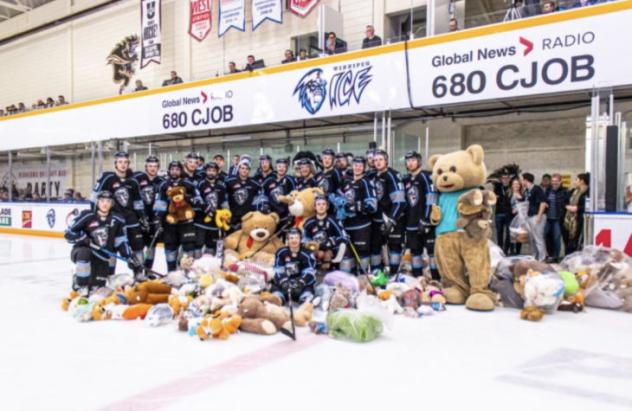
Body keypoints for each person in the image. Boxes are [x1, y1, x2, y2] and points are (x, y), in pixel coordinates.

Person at [64, 191, 141, 295]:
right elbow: (68, 233)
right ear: (97, 202)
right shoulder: (87, 215)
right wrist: (81, 238)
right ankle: (81, 285)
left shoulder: (117, 219)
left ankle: (82, 279)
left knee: (96, 289)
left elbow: (121, 242)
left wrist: (130, 257)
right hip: (83, 252)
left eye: (108, 201)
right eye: (102, 201)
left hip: (102, 257)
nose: (105, 204)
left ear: (112, 203)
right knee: (84, 252)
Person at [93, 151, 147, 280]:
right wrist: (95, 215)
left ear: (128, 164)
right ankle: (110, 276)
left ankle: (138, 274)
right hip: (114, 220)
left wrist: (142, 216)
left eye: (125, 162)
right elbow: (95, 197)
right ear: (115, 164)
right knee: (112, 249)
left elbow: (138, 201)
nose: (123, 165)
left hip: (131, 220)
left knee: (138, 247)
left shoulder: (133, 181)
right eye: (120, 162)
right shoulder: (107, 178)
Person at [154, 161, 198, 271]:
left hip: (186, 223)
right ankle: (171, 272)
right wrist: (158, 219)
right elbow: (160, 203)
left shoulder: (188, 183)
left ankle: (187, 273)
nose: (174, 171)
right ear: (169, 170)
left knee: (189, 248)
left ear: (181, 170)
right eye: (172, 169)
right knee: (170, 248)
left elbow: (198, 200)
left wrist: (189, 198)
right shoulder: (163, 185)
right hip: (170, 223)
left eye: (177, 169)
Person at [338, 156, 377, 274]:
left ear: (364, 167)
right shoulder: (346, 181)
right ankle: (350, 283)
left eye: (360, 165)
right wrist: (339, 204)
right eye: (355, 165)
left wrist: (355, 206)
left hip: (362, 226)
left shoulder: (366, 182)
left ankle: (363, 279)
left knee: (363, 254)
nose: (357, 167)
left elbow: (372, 205)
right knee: (347, 256)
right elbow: (339, 196)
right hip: (347, 226)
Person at [403, 151, 438, 279]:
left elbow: (432, 198)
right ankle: (419, 279)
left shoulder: (426, 176)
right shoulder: (406, 179)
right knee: (415, 253)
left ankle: (436, 280)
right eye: (408, 161)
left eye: (413, 160)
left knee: (432, 252)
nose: (410, 163)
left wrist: (426, 219)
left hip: (425, 223)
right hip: (411, 224)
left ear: (419, 161)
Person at [373, 149, 406, 275]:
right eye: (375, 160)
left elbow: (400, 202)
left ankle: (394, 274)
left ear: (386, 161)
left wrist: (392, 220)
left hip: (394, 218)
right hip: (381, 218)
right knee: (379, 246)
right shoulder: (376, 176)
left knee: (394, 247)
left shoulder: (393, 175)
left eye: (380, 160)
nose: (378, 162)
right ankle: (380, 274)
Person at [132, 155, 165, 269]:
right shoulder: (137, 178)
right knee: (138, 246)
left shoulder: (162, 181)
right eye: (150, 166)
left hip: (154, 219)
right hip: (139, 218)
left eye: (155, 166)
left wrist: (159, 218)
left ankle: (148, 270)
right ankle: (139, 271)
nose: (152, 168)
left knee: (152, 247)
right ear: (145, 166)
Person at [272, 228, 317, 305]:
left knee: (309, 288)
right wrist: (284, 281)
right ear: (287, 240)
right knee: (275, 286)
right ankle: (278, 299)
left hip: (300, 284)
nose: (294, 240)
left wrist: (300, 282)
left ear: (300, 239)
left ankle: (305, 300)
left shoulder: (307, 253)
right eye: (291, 238)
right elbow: (278, 269)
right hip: (286, 283)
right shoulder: (281, 252)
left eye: (296, 238)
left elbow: (310, 272)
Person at [194, 162, 229, 258]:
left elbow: (224, 203)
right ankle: (195, 267)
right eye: (209, 170)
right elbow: (196, 200)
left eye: (213, 171)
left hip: (214, 223)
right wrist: (205, 209)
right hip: (200, 222)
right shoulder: (200, 184)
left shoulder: (221, 186)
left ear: (217, 172)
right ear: (205, 171)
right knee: (198, 246)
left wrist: (226, 215)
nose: (211, 173)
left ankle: (207, 268)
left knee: (211, 246)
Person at [303, 195, 345, 271]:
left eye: (323, 204)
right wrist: (310, 245)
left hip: (330, 249)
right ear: (315, 207)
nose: (321, 206)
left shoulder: (333, 220)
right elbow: (304, 240)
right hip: (316, 249)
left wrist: (331, 242)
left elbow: (343, 237)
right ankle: (314, 270)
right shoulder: (309, 222)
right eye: (318, 204)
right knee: (319, 253)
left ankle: (327, 273)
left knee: (326, 254)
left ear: (327, 206)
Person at [261, 157, 296, 231]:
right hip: (272, 216)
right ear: (276, 167)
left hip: (286, 216)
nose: (281, 168)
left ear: (286, 168)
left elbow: (294, 195)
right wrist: (265, 205)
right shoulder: (269, 180)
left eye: (284, 166)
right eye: (279, 166)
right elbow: (263, 195)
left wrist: (292, 212)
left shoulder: (290, 180)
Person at [225, 158, 259, 230]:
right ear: (239, 169)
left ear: (249, 170)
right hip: (233, 217)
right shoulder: (229, 181)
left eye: (247, 169)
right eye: (242, 168)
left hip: (248, 217)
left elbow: (257, 199)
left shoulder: (255, 183)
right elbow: (224, 197)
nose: (244, 170)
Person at [522, 172, 547, 261]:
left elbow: (543, 202)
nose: (521, 181)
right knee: (531, 238)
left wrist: (539, 216)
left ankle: (542, 257)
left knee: (538, 237)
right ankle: (534, 256)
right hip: (529, 217)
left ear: (526, 180)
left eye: (522, 179)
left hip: (537, 216)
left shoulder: (537, 189)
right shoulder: (526, 190)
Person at [563, 173, 589, 255]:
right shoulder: (573, 191)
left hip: (580, 219)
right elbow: (564, 201)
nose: (575, 182)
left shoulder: (588, 192)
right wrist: (567, 206)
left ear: (582, 181)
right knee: (569, 241)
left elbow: (587, 206)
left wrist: (577, 208)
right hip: (570, 220)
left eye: (576, 180)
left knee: (577, 241)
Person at [544, 173, 568, 263]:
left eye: (556, 181)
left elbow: (566, 203)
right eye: (553, 181)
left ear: (560, 181)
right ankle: (550, 255)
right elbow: (545, 200)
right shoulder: (548, 190)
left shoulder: (564, 191)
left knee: (556, 238)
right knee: (547, 236)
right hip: (548, 218)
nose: (554, 183)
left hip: (558, 218)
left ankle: (556, 256)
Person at [492, 168, 513, 254]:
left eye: (507, 178)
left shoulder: (512, 187)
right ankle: (500, 249)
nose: (505, 180)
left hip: (508, 213)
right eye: (503, 178)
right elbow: (494, 198)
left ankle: (506, 249)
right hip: (499, 213)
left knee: (509, 233)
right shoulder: (497, 187)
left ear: (509, 179)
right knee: (499, 232)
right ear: (501, 179)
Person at [509, 178, 525, 255]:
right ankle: (512, 252)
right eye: (514, 184)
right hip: (511, 217)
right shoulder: (509, 194)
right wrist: (511, 210)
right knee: (512, 236)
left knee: (519, 235)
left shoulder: (522, 194)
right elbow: (506, 206)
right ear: (512, 185)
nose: (516, 185)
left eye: (518, 184)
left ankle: (518, 252)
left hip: (520, 218)